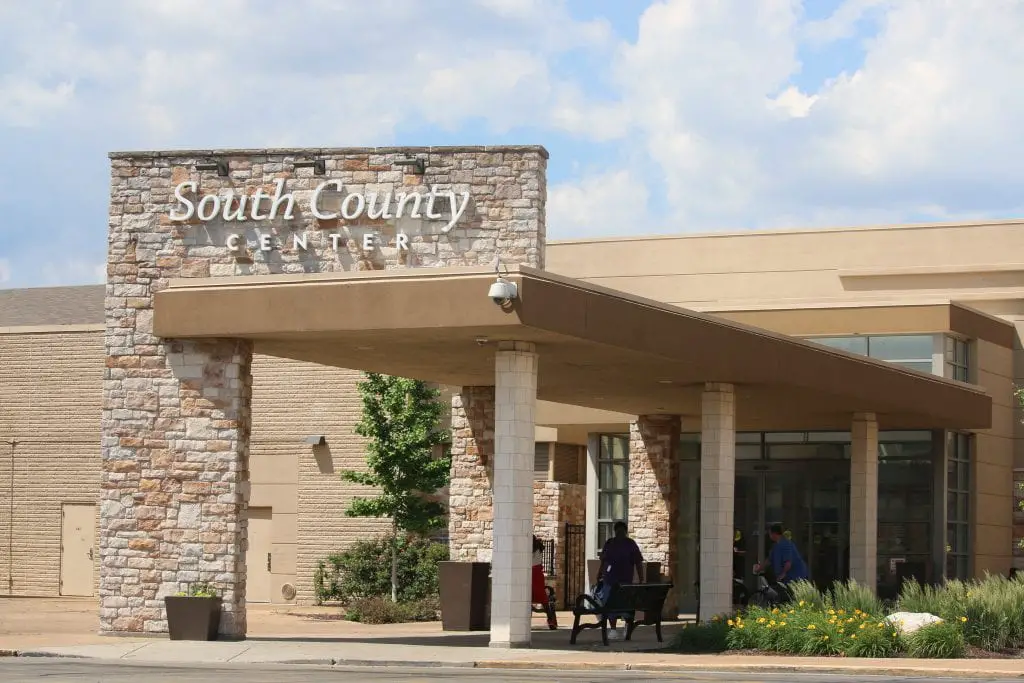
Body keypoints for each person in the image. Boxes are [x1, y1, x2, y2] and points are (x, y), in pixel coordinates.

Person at [596, 521, 644, 640]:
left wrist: (641, 577)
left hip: (620, 581)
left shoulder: (624, 544)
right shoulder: (619, 543)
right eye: (619, 531)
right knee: (616, 604)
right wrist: (599, 573)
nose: (620, 533)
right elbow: (604, 561)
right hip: (614, 580)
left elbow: (638, 562)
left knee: (617, 604)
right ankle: (615, 629)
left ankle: (618, 628)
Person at [755, 523, 809, 588]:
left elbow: (788, 563)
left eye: (770, 534)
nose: (769, 536)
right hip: (786, 578)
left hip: (796, 576)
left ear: (774, 534)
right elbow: (769, 560)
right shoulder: (775, 547)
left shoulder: (786, 544)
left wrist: (782, 574)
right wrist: (759, 569)